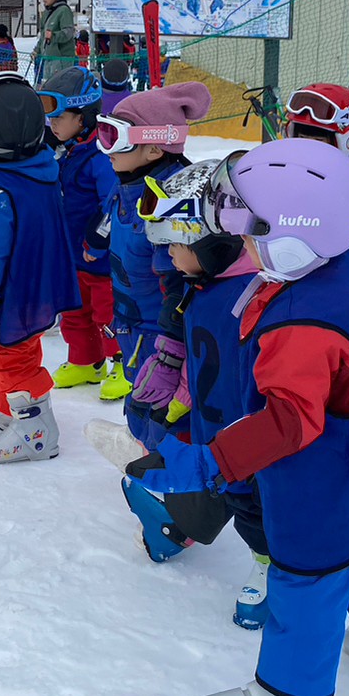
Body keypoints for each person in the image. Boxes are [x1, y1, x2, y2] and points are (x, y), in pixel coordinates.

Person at [128, 138, 349, 696]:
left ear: (292, 242)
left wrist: (210, 463)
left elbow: (291, 421)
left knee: (306, 586)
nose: (239, 243)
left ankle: (285, 692)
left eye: (249, 233)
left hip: (313, 482)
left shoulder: (298, 320)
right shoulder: (334, 271)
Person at [127, 159, 272, 629]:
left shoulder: (253, 297)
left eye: (176, 241)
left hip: (252, 432)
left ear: (214, 242)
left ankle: (277, 571)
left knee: (260, 502)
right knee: (221, 486)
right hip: (210, 418)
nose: (167, 252)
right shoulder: (200, 283)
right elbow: (190, 335)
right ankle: (181, 527)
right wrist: (172, 367)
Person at [0, 72, 81, 463]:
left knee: (11, 354)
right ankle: (5, 399)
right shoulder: (44, 169)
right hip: (43, 282)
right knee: (24, 348)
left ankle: (34, 429)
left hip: (14, 291)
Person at [93, 82, 213, 447]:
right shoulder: (129, 182)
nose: (104, 147)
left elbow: (180, 282)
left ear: (154, 146)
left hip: (158, 333)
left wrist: (171, 348)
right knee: (140, 392)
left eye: (114, 136)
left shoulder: (169, 204)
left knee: (163, 402)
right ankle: (143, 444)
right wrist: (94, 237)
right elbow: (112, 217)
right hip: (131, 322)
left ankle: (163, 463)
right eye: (103, 130)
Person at [37, 67, 123, 392]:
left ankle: (121, 366)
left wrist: (98, 241)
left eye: (60, 118)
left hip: (99, 260)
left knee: (107, 314)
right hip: (72, 256)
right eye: (51, 118)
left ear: (84, 116)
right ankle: (85, 362)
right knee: (74, 310)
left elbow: (113, 204)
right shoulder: (67, 151)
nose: (53, 124)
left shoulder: (100, 157)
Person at [283, 83, 349, 275]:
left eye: (319, 142)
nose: (309, 148)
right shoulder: (286, 172)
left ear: (346, 141)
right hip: (289, 273)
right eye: (302, 138)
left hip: (337, 280)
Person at [34, 0, 76, 81]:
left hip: (61, 58)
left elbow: (68, 32)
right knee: (47, 85)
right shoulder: (47, 13)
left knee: (58, 86)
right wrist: (37, 50)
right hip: (48, 57)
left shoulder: (63, 10)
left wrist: (54, 36)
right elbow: (44, 35)